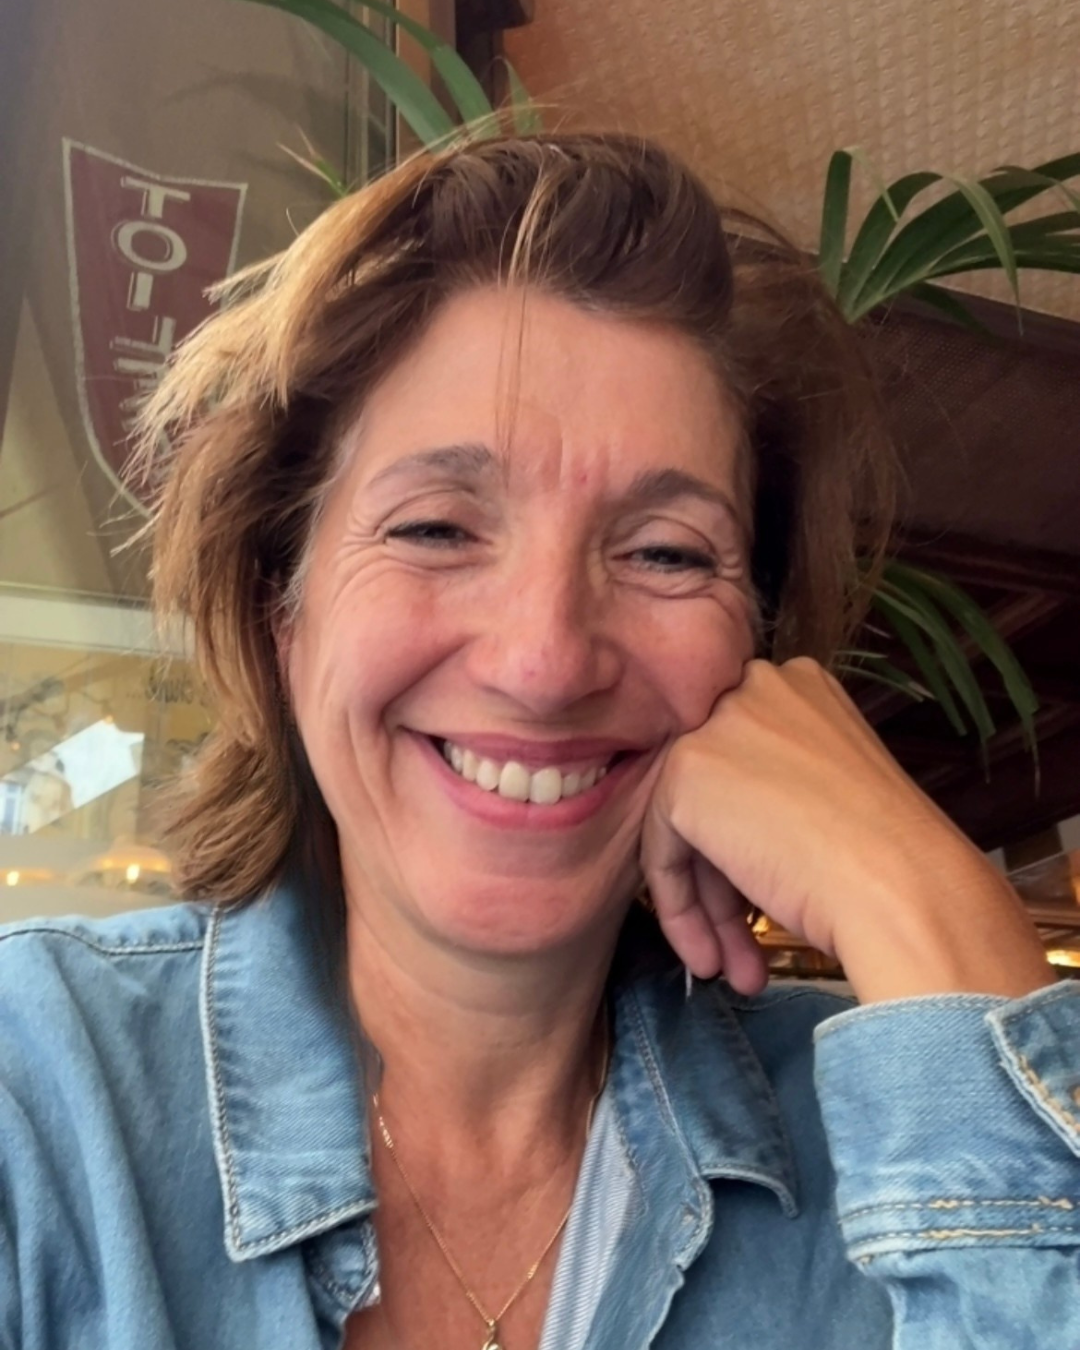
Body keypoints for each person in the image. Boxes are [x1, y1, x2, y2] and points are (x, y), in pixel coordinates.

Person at [1, 131, 1077, 1350]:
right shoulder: (37, 1089)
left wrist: (919, 895)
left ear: (763, 660)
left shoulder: (894, 1137)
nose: (546, 658)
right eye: (436, 530)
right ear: (279, 612)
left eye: (666, 553)